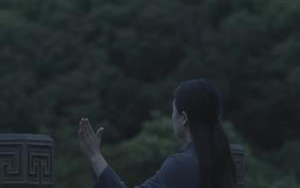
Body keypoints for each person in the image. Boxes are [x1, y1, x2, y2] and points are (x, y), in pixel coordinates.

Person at [78, 79, 237, 188]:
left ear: (183, 118)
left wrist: (95, 156)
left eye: (173, 110)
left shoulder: (181, 165)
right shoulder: (225, 160)